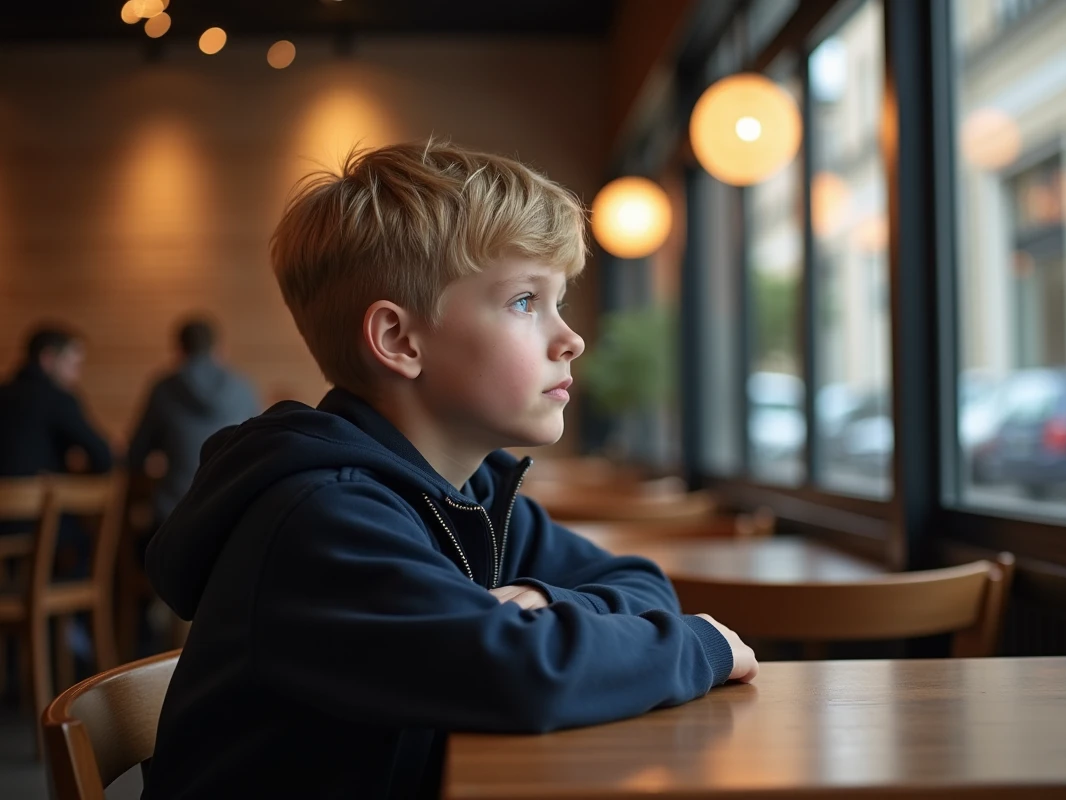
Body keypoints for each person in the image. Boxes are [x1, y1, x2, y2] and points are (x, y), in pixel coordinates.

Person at [142, 141, 758, 800]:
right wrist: (701, 645)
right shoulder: (320, 517)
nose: (571, 338)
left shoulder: (472, 491)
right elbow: (522, 674)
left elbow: (637, 582)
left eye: (561, 300)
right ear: (400, 341)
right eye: (526, 301)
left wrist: (546, 601)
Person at [127, 317, 259, 532]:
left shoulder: (164, 388)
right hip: (234, 511)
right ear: (219, 349)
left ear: (179, 349)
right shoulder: (244, 388)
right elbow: (256, 449)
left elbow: (137, 453)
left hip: (175, 513)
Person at [0, 326, 112, 479]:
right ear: (48, 358)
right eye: (74, 366)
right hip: (39, 500)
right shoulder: (57, 398)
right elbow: (103, 457)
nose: (77, 377)